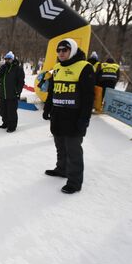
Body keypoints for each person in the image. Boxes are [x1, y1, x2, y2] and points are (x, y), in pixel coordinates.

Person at [42, 38, 95, 194]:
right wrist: (47, 108)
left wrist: (84, 119)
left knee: (73, 149)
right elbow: (52, 91)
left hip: (74, 116)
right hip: (58, 115)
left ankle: (74, 181)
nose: (61, 53)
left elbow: (88, 97)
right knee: (60, 145)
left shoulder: (85, 67)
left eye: (64, 50)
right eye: (58, 50)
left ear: (71, 50)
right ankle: (61, 169)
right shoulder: (57, 67)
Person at [0, 51, 25, 133]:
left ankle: (12, 126)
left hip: (12, 94)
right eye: (6, 59)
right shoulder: (4, 67)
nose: (7, 60)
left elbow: (21, 82)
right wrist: (2, 68)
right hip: (2, 94)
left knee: (11, 112)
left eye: (9, 59)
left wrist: (18, 91)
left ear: (13, 59)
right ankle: (5, 123)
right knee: (2, 111)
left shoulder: (18, 69)